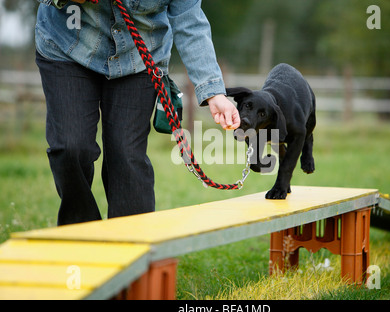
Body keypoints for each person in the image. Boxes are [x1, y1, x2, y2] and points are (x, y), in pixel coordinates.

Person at [35, 0, 240, 225]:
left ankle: (132, 246)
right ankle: (79, 235)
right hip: (68, 46)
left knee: (127, 156)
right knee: (71, 147)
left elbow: (190, 21)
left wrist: (213, 92)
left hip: (140, 57)